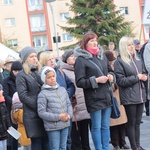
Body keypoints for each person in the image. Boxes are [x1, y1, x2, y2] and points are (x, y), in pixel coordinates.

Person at [74, 31, 115, 150]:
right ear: (85, 43)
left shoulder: (102, 56)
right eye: (91, 40)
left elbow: (110, 70)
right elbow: (80, 81)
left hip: (106, 95)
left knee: (105, 126)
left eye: (96, 40)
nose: (94, 42)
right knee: (96, 126)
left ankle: (106, 148)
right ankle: (99, 148)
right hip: (94, 98)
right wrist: (96, 80)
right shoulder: (81, 60)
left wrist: (111, 76)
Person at [114, 36, 147, 150]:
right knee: (132, 123)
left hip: (140, 94)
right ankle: (134, 146)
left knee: (137, 122)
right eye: (129, 44)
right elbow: (120, 81)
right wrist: (136, 78)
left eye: (132, 44)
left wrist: (144, 77)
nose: (131, 46)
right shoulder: (120, 61)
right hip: (129, 96)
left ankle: (138, 145)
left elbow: (143, 72)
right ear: (123, 46)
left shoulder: (137, 59)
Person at [39, 50, 75, 150]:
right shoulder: (43, 91)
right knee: (55, 146)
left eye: (52, 58)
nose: (52, 61)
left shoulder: (59, 72)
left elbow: (71, 86)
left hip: (65, 119)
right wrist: (58, 116)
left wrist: (65, 95)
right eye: (48, 59)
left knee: (66, 143)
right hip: (53, 123)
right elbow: (42, 111)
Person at [16, 46, 49, 150]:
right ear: (26, 59)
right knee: (37, 143)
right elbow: (23, 96)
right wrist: (39, 106)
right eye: (31, 56)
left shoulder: (37, 72)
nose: (35, 58)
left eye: (35, 56)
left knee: (46, 143)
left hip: (43, 114)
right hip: (32, 115)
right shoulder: (21, 75)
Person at [61, 49, 91, 150]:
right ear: (66, 59)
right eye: (71, 56)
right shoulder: (63, 72)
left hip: (84, 105)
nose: (74, 57)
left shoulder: (79, 68)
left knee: (85, 134)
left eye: (74, 55)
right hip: (74, 107)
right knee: (75, 136)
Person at [104, 50, 130, 150]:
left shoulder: (117, 66)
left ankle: (123, 142)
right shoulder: (104, 68)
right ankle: (116, 143)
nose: (111, 63)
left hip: (120, 96)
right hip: (111, 97)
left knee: (122, 121)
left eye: (112, 61)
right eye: (110, 61)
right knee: (113, 122)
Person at [2, 61, 23, 150]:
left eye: (19, 71)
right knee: (14, 133)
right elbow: (6, 95)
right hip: (12, 110)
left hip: (23, 109)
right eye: (15, 71)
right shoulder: (6, 81)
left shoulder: (23, 79)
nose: (17, 73)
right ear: (12, 71)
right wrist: (16, 104)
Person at [0, 84, 11, 150]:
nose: (2, 91)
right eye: (0, 90)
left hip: (4, 129)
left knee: (4, 145)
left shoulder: (2, 101)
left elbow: (6, 115)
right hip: (1, 129)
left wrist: (8, 125)